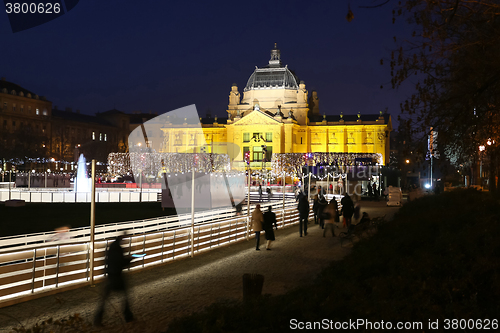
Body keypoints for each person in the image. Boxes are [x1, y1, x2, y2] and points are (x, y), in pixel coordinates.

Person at [94, 233, 134, 326]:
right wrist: (130, 260)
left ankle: (98, 319)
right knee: (125, 297)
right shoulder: (119, 248)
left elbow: (108, 260)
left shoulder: (111, 246)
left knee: (104, 299)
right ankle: (128, 317)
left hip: (110, 275)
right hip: (117, 276)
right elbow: (120, 262)